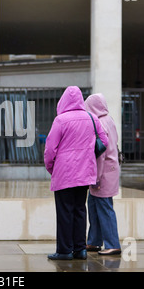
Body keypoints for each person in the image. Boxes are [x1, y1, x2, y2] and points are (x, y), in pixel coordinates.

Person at [44, 86, 108, 260]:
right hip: (84, 172)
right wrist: (87, 155)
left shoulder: (60, 120)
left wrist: (51, 168)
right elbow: (104, 141)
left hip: (64, 173)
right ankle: (80, 249)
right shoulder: (92, 118)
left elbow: (50, 149)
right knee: (80, 210)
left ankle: (64, 251)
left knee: (65, 211)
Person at [84, 93, 121, 256]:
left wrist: (96, 177)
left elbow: (101, 154)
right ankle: (94, 241)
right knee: (94, 205)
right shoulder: (109, 120)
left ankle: (113, 244)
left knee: (104, 208)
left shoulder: (100, 123)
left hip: (104, 172)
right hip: (110, 170)